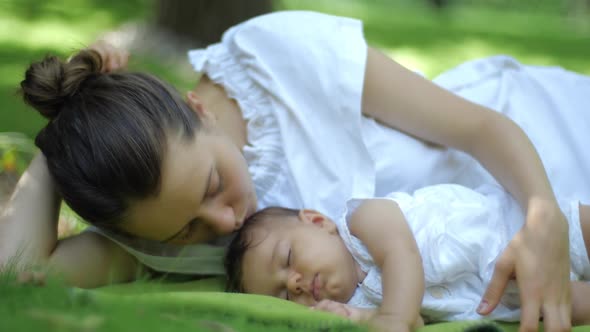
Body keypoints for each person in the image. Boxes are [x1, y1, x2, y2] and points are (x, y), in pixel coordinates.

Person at [0, 10, 588, 331]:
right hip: (495, 256)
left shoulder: (273, 59)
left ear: (195, 107)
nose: (228, 220)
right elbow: (18, 273)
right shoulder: (156, 231)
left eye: (211, 186)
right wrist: (65, 136)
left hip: (542, 142)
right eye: (188, 230)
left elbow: (479, 128)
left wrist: (543, 217)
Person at [224, 184, 590, 331]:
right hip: (508, 298)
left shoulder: (362, 221)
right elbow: (410, 320)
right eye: (285, 295)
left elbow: (402, 254)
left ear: (318, 222)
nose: (294, 283)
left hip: (521, 228)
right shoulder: (361, 302)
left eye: (287, 258)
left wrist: (391, 318)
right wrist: (358, 317)